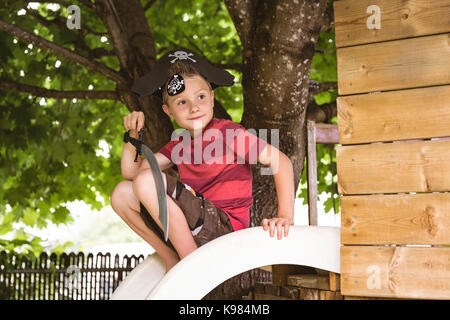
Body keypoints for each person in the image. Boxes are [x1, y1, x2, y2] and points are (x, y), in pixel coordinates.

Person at [110, 50, 294, 272]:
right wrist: (132, 135)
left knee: (147, 181)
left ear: (212, 98)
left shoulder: (228, 133)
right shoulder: (180, 144)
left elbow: (281, 161)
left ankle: (190, 264)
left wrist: (285, 216)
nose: (194, 107)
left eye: (201, 97)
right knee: (122, 194)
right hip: (196, 224)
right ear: (168, 111)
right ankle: (172, 258)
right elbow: (132, 172)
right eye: (182, 102)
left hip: (226, 227)